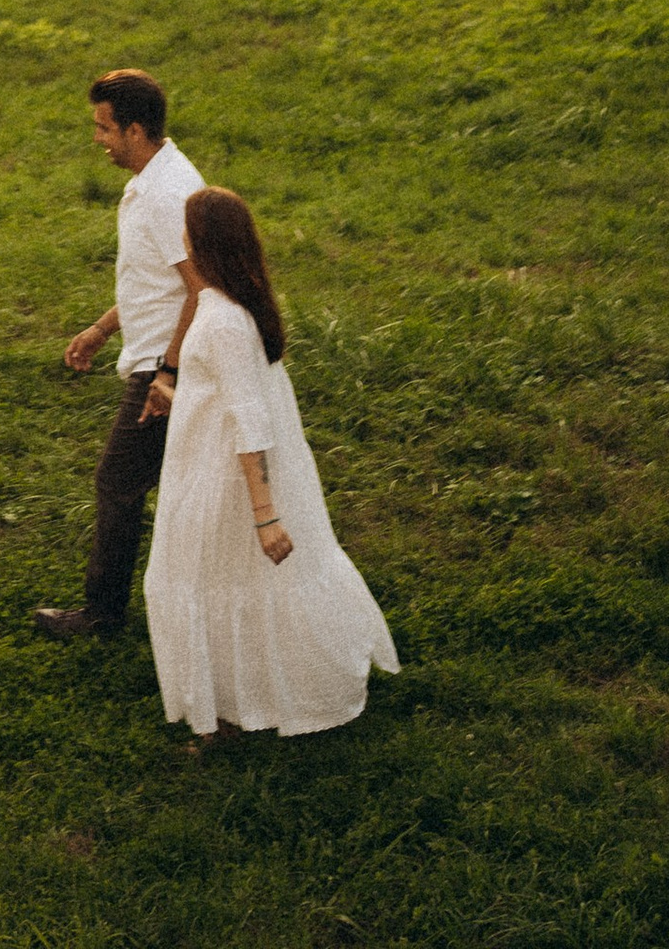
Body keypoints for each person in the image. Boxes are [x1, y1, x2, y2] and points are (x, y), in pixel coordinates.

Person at [142, 185, 398, 744]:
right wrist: (179, 397)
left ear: (204, 244)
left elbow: (249, 420)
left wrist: (264, 515)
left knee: (214, 581)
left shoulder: (227, 321)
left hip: (226, 482)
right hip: (204, 469)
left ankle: (238, 711)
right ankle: (231, 705)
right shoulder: (221, 306)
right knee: (208, 581)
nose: (181, 238)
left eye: (187, 230)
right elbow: (226, 398)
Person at [33, 66, 202, 640]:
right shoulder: (160, 177)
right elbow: (156, 283)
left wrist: (169, 372)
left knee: (117, 482)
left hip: (165, 362)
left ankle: (102, 617)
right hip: (158, 351)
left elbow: (201, 288)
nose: (98, 139)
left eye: (105, 128)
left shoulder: (164, 195)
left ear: (135, 130)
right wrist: (103, 329)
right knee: (174, 483)